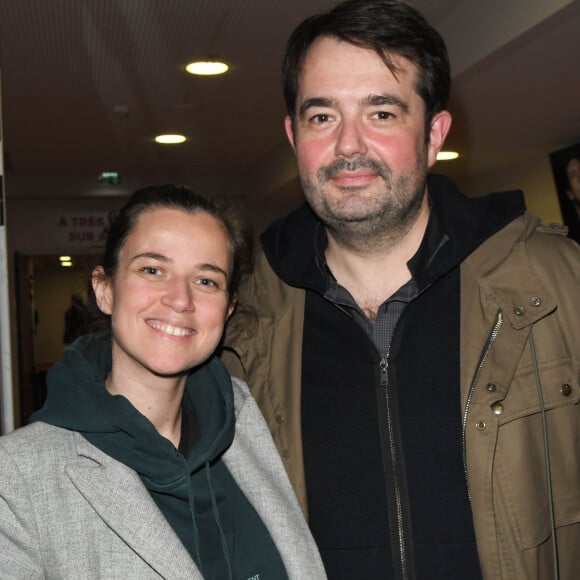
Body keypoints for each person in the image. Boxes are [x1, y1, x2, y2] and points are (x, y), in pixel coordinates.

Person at [221, 1, 580, 579]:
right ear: (293, 136)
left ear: (434, 133)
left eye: (382, 113)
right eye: (322, 117)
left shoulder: (559, 284)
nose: (347, 146)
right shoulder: (240, 325)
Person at [0, 185, 326, 579]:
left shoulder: (245, 418)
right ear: (104, 289)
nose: (180, 299)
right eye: (153, 270)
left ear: (228, 309)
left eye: (206, 280)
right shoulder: (18, 476)